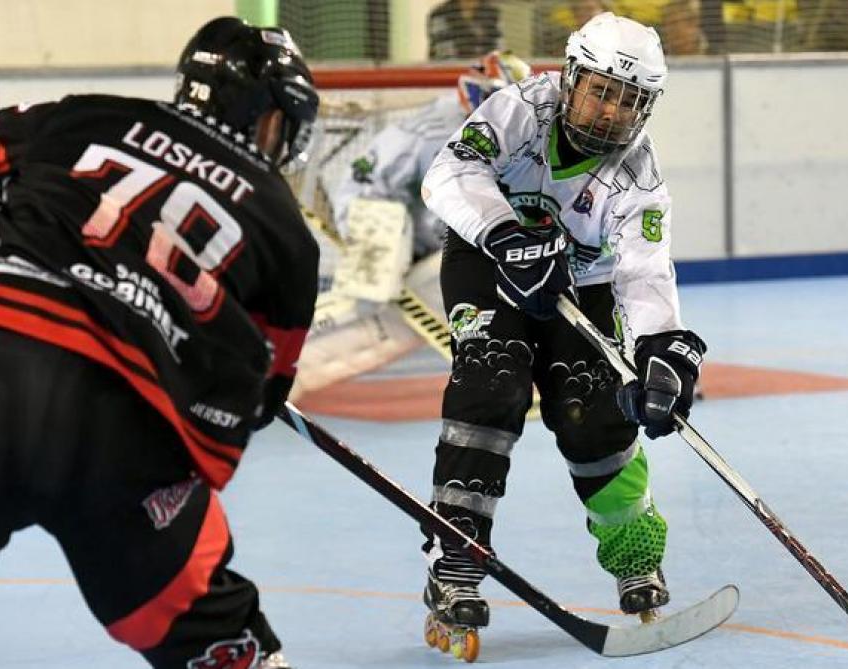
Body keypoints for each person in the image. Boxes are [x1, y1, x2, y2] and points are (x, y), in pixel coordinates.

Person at [0, 17, 319, 669]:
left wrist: (13, 161)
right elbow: (261, 395)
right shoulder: (287, 233)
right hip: (124, 433)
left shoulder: (86, 118)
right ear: (271, 121)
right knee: (216, 641)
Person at [418, 9, 706, 651]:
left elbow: (645, 272)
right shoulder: (518, 109)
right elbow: (447, 175)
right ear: (572, 77)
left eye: (628, 102)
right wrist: (508, 234)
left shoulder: (639, 177)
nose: (610, 113)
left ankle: (635, 553)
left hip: (584, 283)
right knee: (491, 380)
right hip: (488, 259)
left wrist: (663, 352)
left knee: (592, 410)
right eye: (601, 91)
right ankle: (458, 559)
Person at [289, 51, 532, 402]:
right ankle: (275, 340)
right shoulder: (432, 127)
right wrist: (387, 253)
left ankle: (295, 376)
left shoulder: (516, 141)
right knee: (368, 298)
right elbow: (371, 182)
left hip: (433, 246)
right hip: (379, 213)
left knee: (392, 328)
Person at [428, 0, 503, 60]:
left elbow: (499, 50)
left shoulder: (493, 12)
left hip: (487, 74)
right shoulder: (440, 14)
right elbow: (443, 56)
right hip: (450, 73)